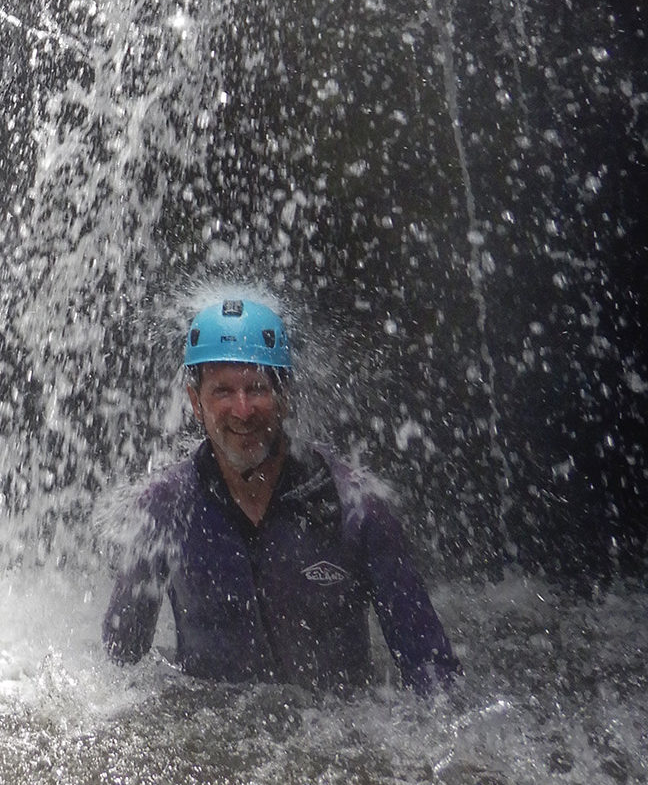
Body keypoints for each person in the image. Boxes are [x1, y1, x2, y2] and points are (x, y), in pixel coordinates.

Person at [102, 297, 461, 694]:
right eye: (223, 391)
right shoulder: (164, 509)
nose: (242, 410)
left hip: (333, 739)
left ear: (284, 395)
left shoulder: (356, 510)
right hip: (210, 737)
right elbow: (119, 665)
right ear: (195, 402)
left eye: (256, 388)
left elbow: (433, 674)